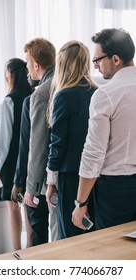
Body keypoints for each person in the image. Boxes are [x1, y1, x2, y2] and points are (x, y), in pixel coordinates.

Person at [72, 28, 136, 231]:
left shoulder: (105, 95)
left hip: (115, 192)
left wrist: (80, 203)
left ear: (115, 59)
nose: (96, 66)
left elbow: (93, 153)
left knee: (114, 255)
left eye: (98, 60)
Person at [45, 40, 97, 239]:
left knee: (71, 236)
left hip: (71, 176)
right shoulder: (98, 93)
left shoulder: (63, 96)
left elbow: (57, 144)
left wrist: (51, 182)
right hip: (95, 175)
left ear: (63, 65)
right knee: (92, 235)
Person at [12, 38, 60, 246]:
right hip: (70, 174)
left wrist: (29, 187)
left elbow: (37, 145)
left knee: (43, 234)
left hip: (45, 180)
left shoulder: (40, 94)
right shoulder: (66, 83)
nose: (28, 68)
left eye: (28, 63)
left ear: (36, 65)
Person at [0, 58, 33, 250]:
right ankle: (32, 248)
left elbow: (4, 140)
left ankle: (17, 252)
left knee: (13, 206)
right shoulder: (34, 95)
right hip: (30, 158)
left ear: (11, 74)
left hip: (12, 162)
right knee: (29, 205)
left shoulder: (9, 100)